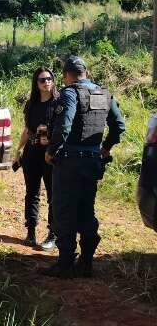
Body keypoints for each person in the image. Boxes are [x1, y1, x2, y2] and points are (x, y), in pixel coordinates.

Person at [41, 56, 126, 278]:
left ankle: (65, 263)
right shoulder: (103, 94)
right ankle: (86, 261)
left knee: (63, 210)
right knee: (86, 209)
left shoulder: (69, 93)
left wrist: (51, 151)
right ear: (86, 72)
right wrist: (105, 147)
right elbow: (118, 126)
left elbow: (64, 126)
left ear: (66, 75)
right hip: (92, 162)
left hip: (69, 162)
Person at [14, 67, 59, 250]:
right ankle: (30, 231)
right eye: (42, 80)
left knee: (53, 195)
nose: (46, 82)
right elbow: (27, 129)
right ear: (36, 83)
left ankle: (53, 234)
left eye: (49, 79)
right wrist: (19, 149)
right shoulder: (31, 104)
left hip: (50, 154)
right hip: (32, 152)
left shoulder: (59, 103)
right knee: (32, 193)